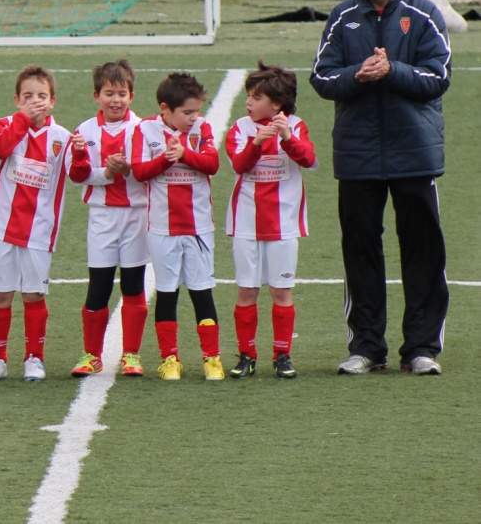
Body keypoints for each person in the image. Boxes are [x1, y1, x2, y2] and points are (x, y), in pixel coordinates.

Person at [311, 0, 451, 376]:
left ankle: (421, 349)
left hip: (415, 153)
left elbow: (438, 77)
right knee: (360, 251)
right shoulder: (342, 17)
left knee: (423, 252)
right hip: (358, 155)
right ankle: (367, 347)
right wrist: (359, 74)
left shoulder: (423, 15)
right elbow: (321, 77)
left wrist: (392, 70)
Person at [225, 61, 317, 380]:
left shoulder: (296, 125)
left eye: (256, 97)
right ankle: (247, 355)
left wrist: (286, 137)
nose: (248, 102)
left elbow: (309, 159)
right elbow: (239, 165)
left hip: (284, 225)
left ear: (276, 104)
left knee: (281, 292)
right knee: (247, 292)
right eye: (248, 96)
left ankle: (282, 355)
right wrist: (257, 143)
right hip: (246, 224)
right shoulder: (240, 128)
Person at [0, 65, 70, 382]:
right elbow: (0, 149)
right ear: (17, 100)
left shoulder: (62, 138)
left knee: (33, 296)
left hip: (39, 233)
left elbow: (80, 174)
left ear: (52, 101)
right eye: (28, 96)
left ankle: (34, 358)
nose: (35, 101)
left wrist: (89, 159)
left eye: (41, 96)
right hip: (2, 228)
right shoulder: (6, 124)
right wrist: (22, 120)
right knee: (1, 295)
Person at [130, 73, 223, 381]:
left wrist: (185, 154)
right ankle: (170, 359)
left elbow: (212, 164)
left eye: (196, 111)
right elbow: (140, 171)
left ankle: (212, 358)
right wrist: (166, 160)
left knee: (202, 292)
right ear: (165, 109)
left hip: (198, 227)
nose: (193, 117)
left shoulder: (202, 128)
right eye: (187, 112)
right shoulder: (145, 129)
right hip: (162, 228)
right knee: (167, 292)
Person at [66, 59, 149, 378]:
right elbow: (77, 176)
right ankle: (92, 354)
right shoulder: (84, 131)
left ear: (131, 96)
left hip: (136, 216)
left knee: (133, 286)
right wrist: (106, 172)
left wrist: (127, 169)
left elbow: (149, 172)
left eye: (122, 93)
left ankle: (131, 355)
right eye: (109, 93)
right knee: (98, 287)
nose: (116, 100)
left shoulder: (142, 129)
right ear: (96, 96)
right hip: (101, 218)